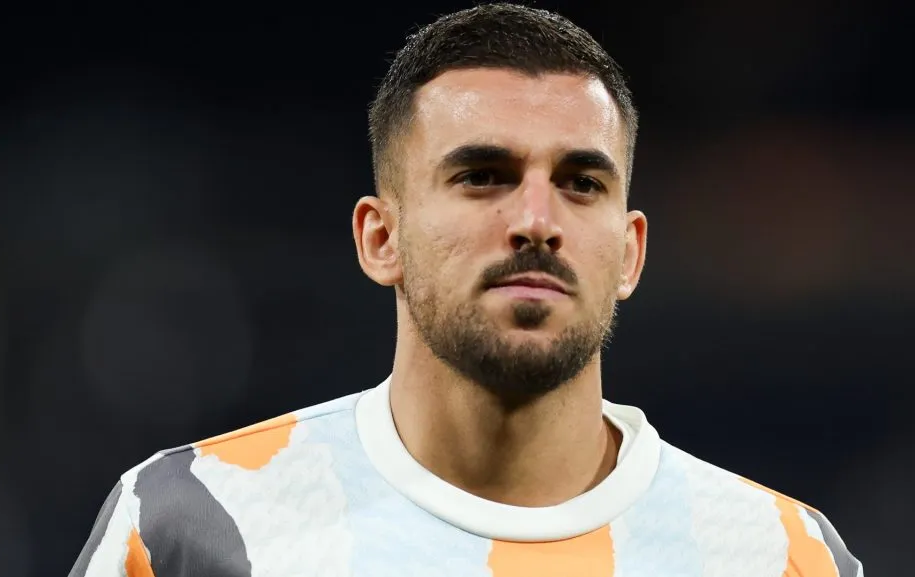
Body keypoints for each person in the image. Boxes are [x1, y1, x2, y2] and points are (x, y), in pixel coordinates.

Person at [69, 4, 863, 576]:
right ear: (381, 238)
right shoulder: (190, 523)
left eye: (582, 182)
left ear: (629, 252)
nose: (536, 220)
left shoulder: (779, 553)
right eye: (483, 176)